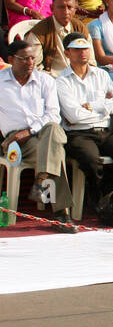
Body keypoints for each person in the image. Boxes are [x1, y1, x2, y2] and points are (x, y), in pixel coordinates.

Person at [56, 33, 113, 211]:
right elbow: (73, 116)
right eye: (77, 50)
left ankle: (106, 191)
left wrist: (90, 106)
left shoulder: (102, 75)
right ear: (67, 53)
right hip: (78, 134)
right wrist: (103, 108)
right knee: (91, 159)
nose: (83, 53)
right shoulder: (62, 81)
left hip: (103, 131)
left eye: (85, 49)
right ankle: (96, 197)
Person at [0, 35, 71, 227]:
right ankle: (61, 214)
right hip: (15, 139)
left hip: (41, 133)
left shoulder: (45, 80)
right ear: (11, 59)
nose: (30, 62)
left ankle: (41, 180)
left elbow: (54, 114)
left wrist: (31, 130)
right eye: (24, 58)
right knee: (56, 152)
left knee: (53, 131)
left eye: (33, 58)